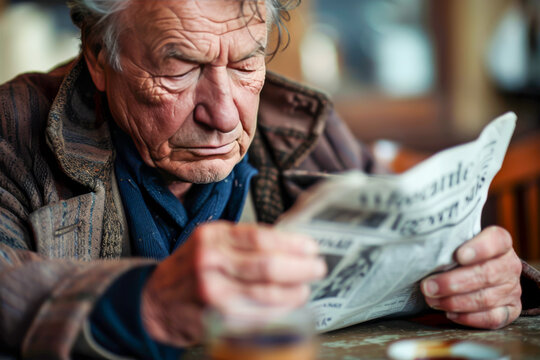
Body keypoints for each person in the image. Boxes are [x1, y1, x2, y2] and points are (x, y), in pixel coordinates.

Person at [0, 0, 538, 358]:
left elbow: (423, 236)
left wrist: (489, 280)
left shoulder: (302, 125)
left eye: (245, 64)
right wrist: (147, 303)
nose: (226, 115)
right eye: (180, 67)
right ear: (98, 56)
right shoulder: (14, 129)